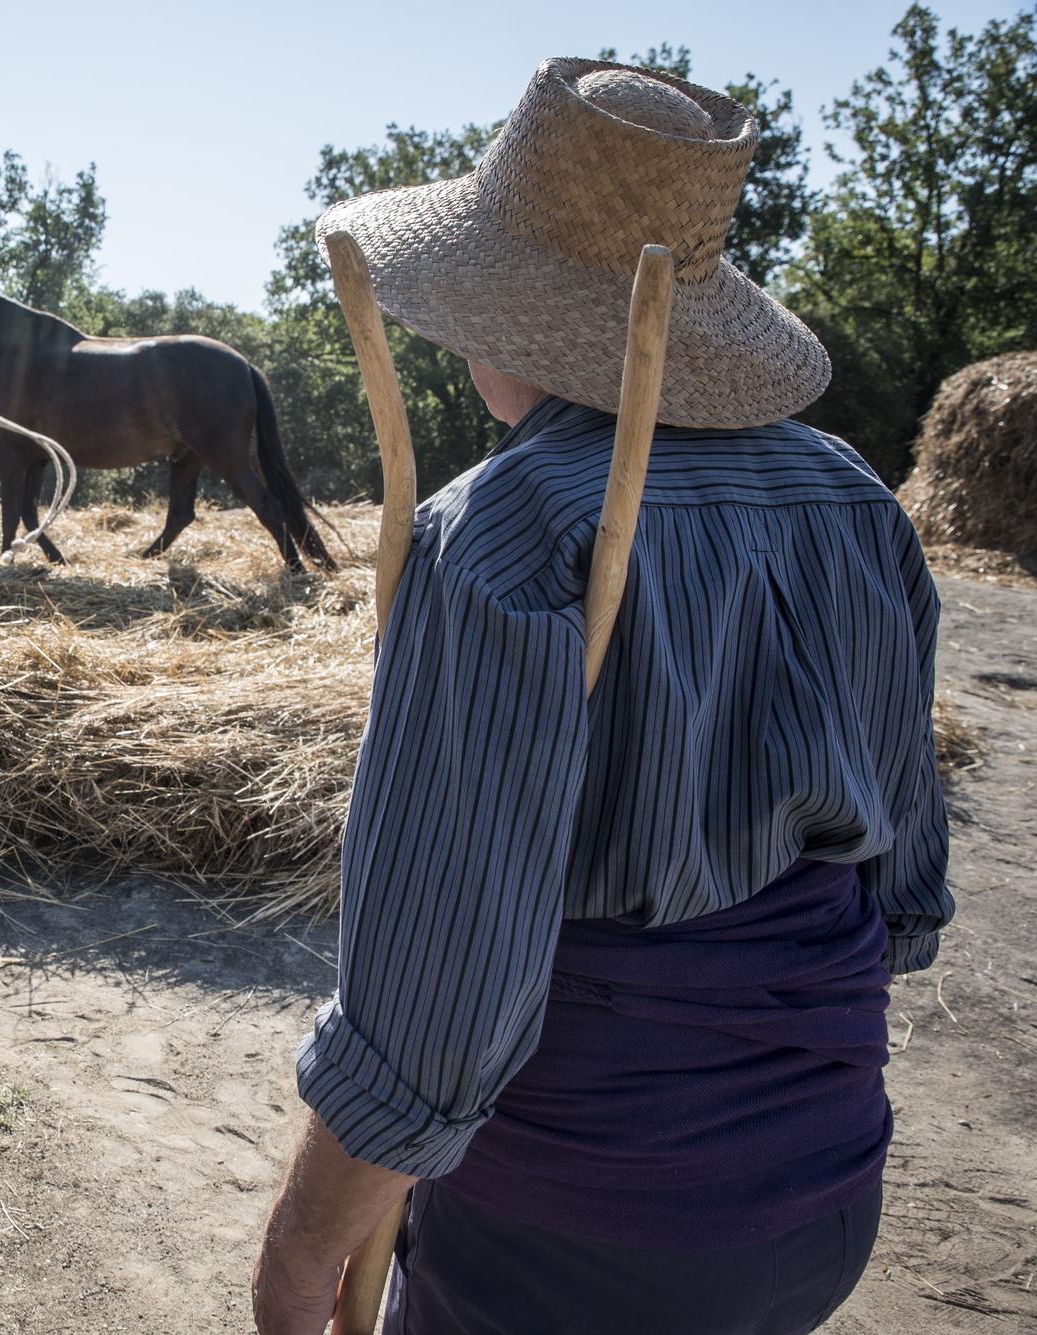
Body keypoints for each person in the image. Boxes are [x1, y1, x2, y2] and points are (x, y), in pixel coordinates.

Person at [251, 59, 950, 1335]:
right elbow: (899, 880)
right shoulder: (854, 500)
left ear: (491, 315)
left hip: (577, 1237)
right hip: (828, 1182)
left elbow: (438, 993)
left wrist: (298, 1259)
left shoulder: (503, 537)